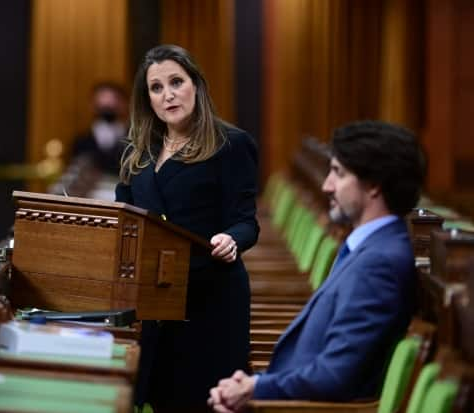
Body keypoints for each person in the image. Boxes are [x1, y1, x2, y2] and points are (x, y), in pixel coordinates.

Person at [208, 120, 426, 412]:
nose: (326, 185)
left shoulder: (380, 263)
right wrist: (254, 384)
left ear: (374, 185)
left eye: (338, 173)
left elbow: (336, 376)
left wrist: (255, 388)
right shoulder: (370, 248)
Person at [115, 44, 259, 411]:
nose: (168, 95)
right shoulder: (138, 151)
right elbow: (123, 218)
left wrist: (232, 239)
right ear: (147, 98)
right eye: (157, 87)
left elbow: (245, 221)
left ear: (196, 84)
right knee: (160, 397)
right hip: (155, 295)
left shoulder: (231, 144)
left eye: (176, 82)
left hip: (211, 298)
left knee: (202, 401)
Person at [71, 82, 129, 175]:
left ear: (124, 104)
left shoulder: (135, 139)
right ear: (92, 105)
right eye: (102, 99)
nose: (109, 103)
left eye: (114, 99)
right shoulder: (82, 141)